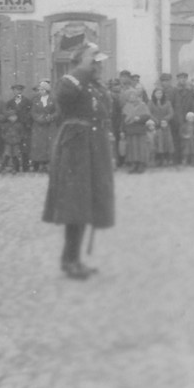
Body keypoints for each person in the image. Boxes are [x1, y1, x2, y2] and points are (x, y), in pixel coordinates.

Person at [42, 42, 114, 280]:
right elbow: (63, 98)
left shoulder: (94, 85)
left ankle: (75, 259)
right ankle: (69, 259)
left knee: (87, 202)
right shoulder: (70, 81)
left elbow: (105, 109)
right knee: (75, 202)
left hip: (94, 145)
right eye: (93, 59)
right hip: (75, 146)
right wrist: (82, 70)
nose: (98, 64)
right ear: (80, 60)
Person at [0, 84, 30, 173]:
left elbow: (29, 113)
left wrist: (26, 121)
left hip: (23, 126)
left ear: (22, 91)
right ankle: (10, 167)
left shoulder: (27, 101)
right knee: (10, 151)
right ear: (13, 91)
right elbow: (6, 114)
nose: (18, 92)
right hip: (12, 127)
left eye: (20, 90)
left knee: (24, 148)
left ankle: (25, 167)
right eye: (16, 90)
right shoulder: (10, 103)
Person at [121, 88, 154, 174]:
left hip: (140, 129)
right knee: (132, 148)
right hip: (130, 129)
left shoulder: (142, 105)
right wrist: (122, 130)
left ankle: (141, 164)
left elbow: (147, 116)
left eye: (134, 96)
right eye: (130, 96)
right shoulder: (126, 107)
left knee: (140, 147)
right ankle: (133, 164)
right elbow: (123, 120)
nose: (132, 97)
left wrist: (139, 118)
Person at [30, 80, 58, 174]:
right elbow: (33, 112)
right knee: (40, 145)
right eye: (39, 90)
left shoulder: (53, 99)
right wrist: (39, 118)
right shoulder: (36, 100)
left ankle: (50, 165)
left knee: (50, 144)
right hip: (39, 127)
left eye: (41, 89)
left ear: (46, 90)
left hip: (50, 126)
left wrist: (51, 117)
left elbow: (57, 111)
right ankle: (41, 164)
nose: (40, 91)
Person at [149, 86, 175, 168]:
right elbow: (148, 113)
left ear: (163, 94)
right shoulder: (150, 102)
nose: (159, 95)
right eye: (157, 93)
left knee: (167, 142)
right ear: (154, 94)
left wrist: (165, 120)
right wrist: (156, 121)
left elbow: (171, 113)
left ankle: (167, 159)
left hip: (165, 125)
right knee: (157, 142)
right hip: (155, 125)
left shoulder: (167, 102)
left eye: (160, 93)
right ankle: (159, 159)